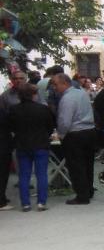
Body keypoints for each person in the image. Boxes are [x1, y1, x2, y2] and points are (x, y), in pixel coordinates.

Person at [53, 73, 97, 205]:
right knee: (88, 164)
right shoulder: (82, 93)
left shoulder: (67, 98)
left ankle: (82, 195)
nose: (54, 87)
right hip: (89, 131)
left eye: (56, 84)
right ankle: (88, 190)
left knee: (76, 166)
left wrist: (61, 134)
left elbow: (65, 121)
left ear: (64, 83)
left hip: (75, 134)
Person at [9, 83, 54, 211]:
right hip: (41, 144)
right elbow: (50, 126)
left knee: (24, 175)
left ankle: (25, 203)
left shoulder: (13, 109)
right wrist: (46, 135)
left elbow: (11, 127)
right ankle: (41, 202)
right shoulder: (43, 109)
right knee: (41, 174)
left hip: (22, 145)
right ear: (34, 95)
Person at [0, 68, 26, 210]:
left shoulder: (34, 93)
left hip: (30, 133)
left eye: (21, 78)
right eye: (15, 79)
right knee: (11, 165)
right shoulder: (5, 97)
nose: (18, 81)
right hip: (10, 135)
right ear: (11, 80)